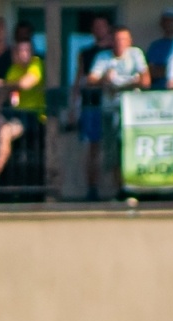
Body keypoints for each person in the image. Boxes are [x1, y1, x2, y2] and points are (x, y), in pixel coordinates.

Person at [0, 37, 45, 198]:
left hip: (32, 115)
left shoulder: (36, 64)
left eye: (26, 51)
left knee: (4, 132)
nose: (23, 54)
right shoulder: (13, 69)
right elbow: (2, 96)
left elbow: (26, 84)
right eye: (19, 51)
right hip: (14, 113)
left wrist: (4, 84)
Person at [88, 26, 151, 196]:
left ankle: (137, 188)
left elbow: (145, 81)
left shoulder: (135, 55)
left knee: (133, 148)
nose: (120, 43)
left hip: (133, 113)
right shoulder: (103, 57)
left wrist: (121, 85)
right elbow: (91, 79)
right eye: (116, 40)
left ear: (130, 41)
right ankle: (121, 189)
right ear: (111, 42)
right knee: (113, 151)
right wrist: (105, 79)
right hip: (110, 110)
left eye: (124, 39)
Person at [74, 16, 114, 201]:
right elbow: (79, 80)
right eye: (95, 26)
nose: (99, 29)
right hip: (91, 105)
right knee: (93, 149)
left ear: (108, 28)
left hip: (114, 104)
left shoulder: (116, 51)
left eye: (102, 26)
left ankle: (121, 189)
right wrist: (73, 107)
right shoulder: (86, 52)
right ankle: (92, 189)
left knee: (116, 145)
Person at [147, 10, 173, 89]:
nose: (170, 24)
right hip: (158, 91)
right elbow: (152, 72)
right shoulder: (155, 46)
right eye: (167, 21)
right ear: (162, 24)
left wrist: (163, 69)